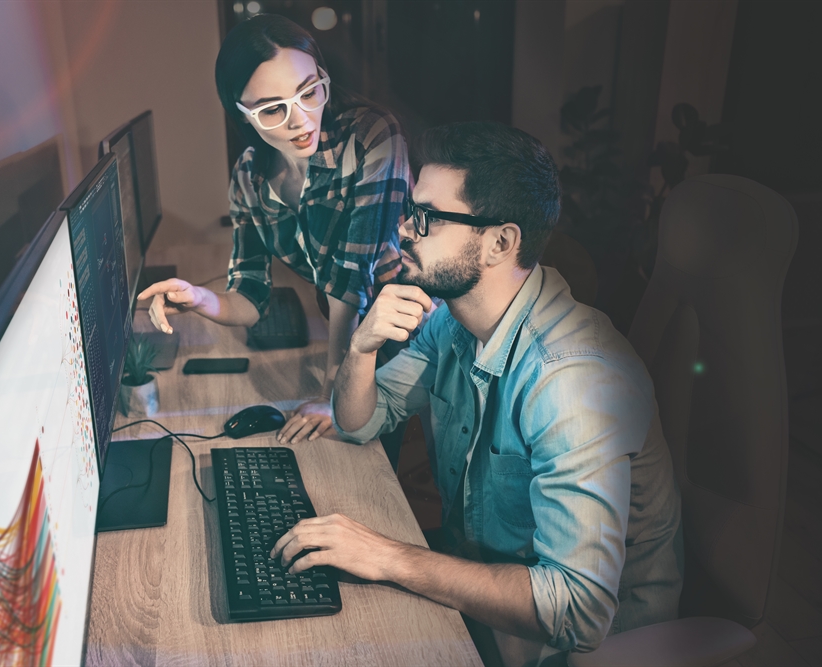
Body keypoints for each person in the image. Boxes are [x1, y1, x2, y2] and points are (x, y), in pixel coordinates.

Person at [270, 122, 683, 666]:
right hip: (483, 581)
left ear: (499, 242)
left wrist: (391, 557)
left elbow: (577, 611)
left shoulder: (572, 382)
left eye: (428, 219)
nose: (405, 232)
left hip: (572, 650)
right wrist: (362, 348)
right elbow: (359, 422)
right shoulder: (456, 322)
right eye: (410, 213)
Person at [138, 15, 410, 445]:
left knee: (374, 466)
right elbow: (249, 298)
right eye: (272, 109)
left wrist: (331, 393)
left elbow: (350, 283)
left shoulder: (372, 136)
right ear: (242, 114)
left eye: (310, 91)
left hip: (406, 336)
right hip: (350, 339)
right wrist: (197, 298)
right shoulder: (249, 177)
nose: (300, 119)